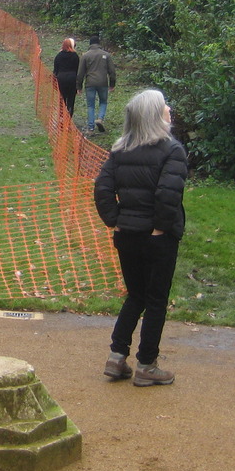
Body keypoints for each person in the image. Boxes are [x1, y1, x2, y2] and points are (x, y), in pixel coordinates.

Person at [93, 89, 187, 387]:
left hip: (128, 236)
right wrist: (160, 228)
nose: (169, 109)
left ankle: (117, 356)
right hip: (157, 239)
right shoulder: (172, 150)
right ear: (154, 115)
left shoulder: (120, 151)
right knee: (156, 300)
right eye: (163, 106)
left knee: (136, 296)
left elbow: (102, 189)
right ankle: (147, 364)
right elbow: (168, 194)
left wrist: (116, 221)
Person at [76, 35, 116, 133]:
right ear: (99, 43)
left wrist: (79, 86)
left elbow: (80, 73)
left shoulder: (85, 56)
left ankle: (91, 127)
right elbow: (112, 71)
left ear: (90, 44)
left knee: (91, 105)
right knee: (103, 102)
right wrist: (112, 84)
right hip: (103, 82)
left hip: (90, 83)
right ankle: (100, 119)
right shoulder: (106, 55)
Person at [52, 38, 80, 116]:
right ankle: (69, 116)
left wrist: (54, 81)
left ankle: (61, 116)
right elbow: (77, 69)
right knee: (71, 99)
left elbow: (55, 70)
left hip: (61, 79)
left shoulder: (58, 56)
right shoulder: (75, 56)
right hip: (72, 79)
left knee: (62, 99)